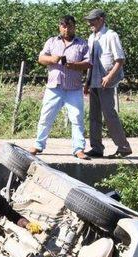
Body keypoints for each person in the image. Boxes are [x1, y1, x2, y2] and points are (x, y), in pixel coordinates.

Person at [29, 15, 91, 160]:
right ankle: (39, 145)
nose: (66, 29)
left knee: (77, 118)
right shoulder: (51, 41)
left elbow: (88, 63)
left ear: (74, 27)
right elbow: (41, 58)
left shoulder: (82, 44)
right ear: (59, 26)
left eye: (69, 26)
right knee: (46, 116)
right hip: (54, 87)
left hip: (74, 88)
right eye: (64, 26)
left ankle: (79, 149)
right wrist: (53, 59)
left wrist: (74, 65)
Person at [83, 9, 132, 158]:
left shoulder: (111, 35)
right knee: (94, 116)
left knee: (109, 115)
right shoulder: (92, 38)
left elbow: (120, 60)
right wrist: (87, 82)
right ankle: (97, 148)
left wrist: (109, 77)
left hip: (106, 82)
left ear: (102, 19)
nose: (90, 23)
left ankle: (123, 148)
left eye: (93, 20)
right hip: (94, 82)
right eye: (89, 20)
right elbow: (90, 62)